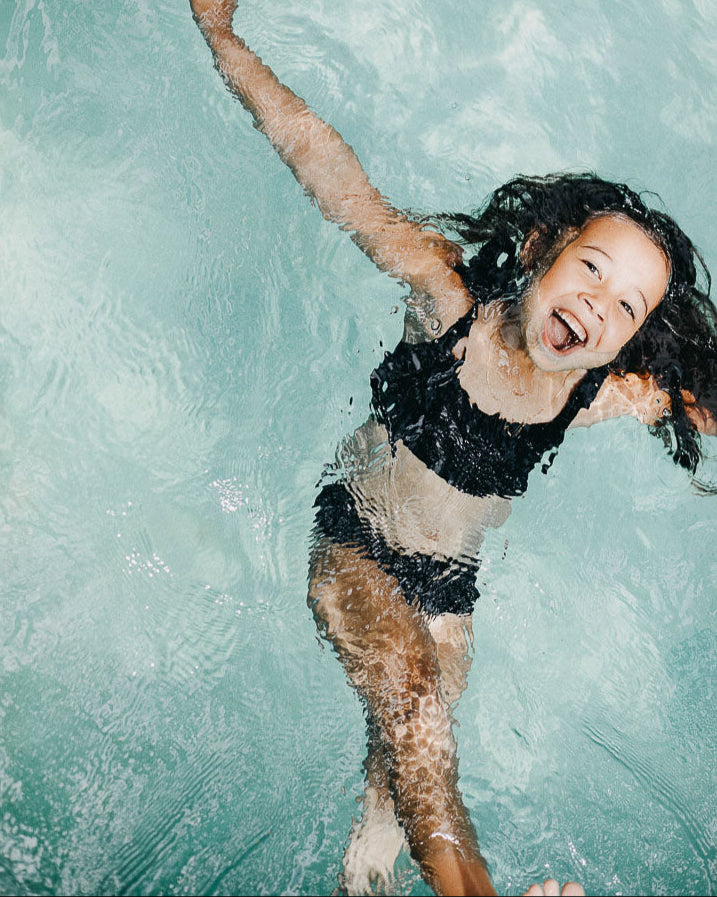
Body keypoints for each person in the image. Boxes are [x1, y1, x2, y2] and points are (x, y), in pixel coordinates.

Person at [189, 3, 717, 895]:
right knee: (413, 705)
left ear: (624, 344)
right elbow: (327, 166)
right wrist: (223, 40)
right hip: (357, 541)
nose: (599, 304)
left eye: (626, 307)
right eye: (592, 268)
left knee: (413, 771)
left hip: (451, 593)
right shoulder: (447, 302)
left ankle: (373, 854)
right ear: (541, 249)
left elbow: (699, 403)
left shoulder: (594, 392)